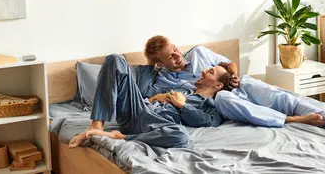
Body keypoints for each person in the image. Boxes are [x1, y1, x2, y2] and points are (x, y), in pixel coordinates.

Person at [144, 35, 325, 135]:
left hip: (238, 85)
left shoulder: (199, 53)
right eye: (170, 57)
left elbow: (230, 64)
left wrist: (233, 75)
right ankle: (294, 120)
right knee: (226, 99)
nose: (177, 56)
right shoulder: (162, 79)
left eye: (175, 49)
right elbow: (162, 98)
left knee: (280, 97)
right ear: (160, 63)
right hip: (217, 99)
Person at [68, 54, 237, 148]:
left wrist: (182, 105)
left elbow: (209, 122)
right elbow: (144, 91)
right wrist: (155, 97)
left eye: (211, 71)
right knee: (115, 59)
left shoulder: (211, 105)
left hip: (158, 124)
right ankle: (97, 125)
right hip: (139, 110)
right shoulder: (183, 88)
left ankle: (119, 136)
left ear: (218, 84)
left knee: (181, 136)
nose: (204, 71)